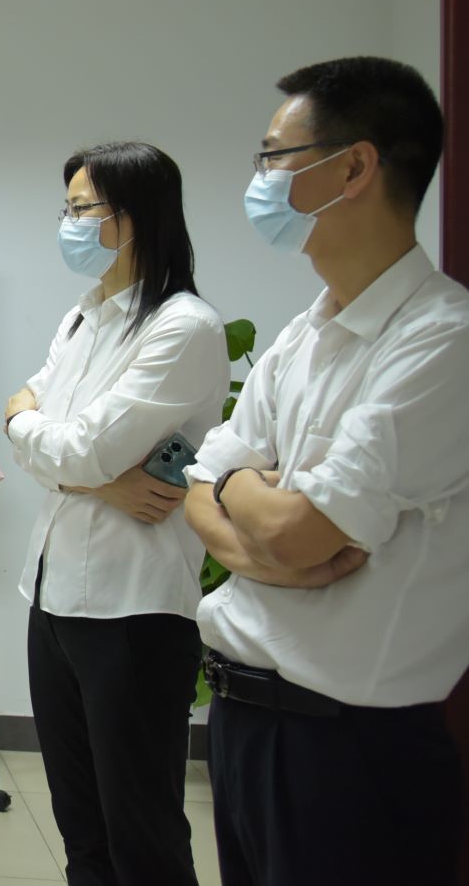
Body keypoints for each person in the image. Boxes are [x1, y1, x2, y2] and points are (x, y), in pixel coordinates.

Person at [183, 56, 466, 886]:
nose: (261, 179)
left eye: (276, 156)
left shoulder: (441, 340)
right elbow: (203, 489)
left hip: (351, 750)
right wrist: (246, 504)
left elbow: (300, 533)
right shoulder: (304, 333)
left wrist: (241, 489)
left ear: (354, 167)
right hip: (246, 720)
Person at [3, 142, 228, 886]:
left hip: (132, 610)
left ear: (134, 216)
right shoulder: (83, 315)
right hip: (52, 597)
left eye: (82, 209)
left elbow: (78, 445)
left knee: (141, 831)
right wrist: (95, 479)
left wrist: (40, 435)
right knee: (81, 826)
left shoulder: (183, 326)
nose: (68, 223)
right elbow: (61, 443)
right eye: (66, 207)